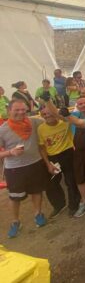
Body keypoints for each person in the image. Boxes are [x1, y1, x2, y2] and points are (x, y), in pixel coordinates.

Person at [0, 100, 54, 238]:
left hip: (35, 163)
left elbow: (51, 121)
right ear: (9, 111)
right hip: (14, 168)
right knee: (15, 197)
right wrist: (10, 152)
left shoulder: (34, 122)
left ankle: (38, 213)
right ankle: (15, 221)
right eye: (17, 110)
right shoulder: (3, 129)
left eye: (23, 110)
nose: (21, 112)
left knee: (36, 191)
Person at [38, 100, 80, 218]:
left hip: (67, 153)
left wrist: (50, 103)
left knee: (70, 181)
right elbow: (42, 148)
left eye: (50, 113)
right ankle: (59, 205)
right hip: (52, 157)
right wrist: (47, 164)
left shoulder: (65, 122)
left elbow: (68, 118)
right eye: (44, 114)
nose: (48, 116)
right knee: (50, 183)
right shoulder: (41, 129)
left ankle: (73, 205)